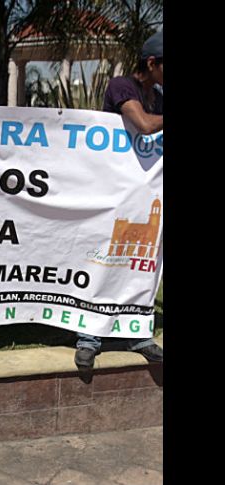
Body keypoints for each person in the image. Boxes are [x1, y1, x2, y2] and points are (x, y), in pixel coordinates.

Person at [74, 31, 164, 369]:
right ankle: (88, 338)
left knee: (139, 264)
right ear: (152, 63)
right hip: (111, 196)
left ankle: (137, 333)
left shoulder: (159, 95)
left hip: (144, 199)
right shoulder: (121, 86)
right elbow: (141, 124)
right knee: (101, 262)